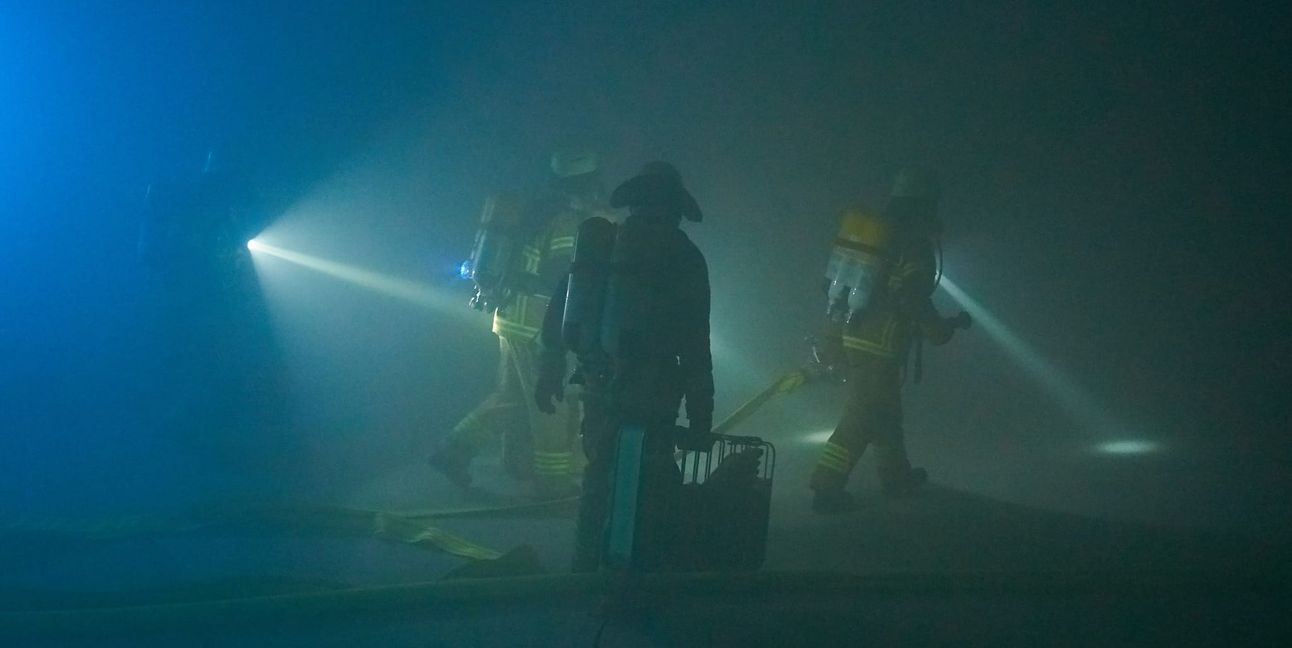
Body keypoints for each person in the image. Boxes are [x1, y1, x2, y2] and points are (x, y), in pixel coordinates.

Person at [535, 161, 714, 572]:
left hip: (598, 380)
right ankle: (636, 580)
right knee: (649, 483)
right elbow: (695, 341)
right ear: (674, 206)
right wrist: (701, 417)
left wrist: (549, 369)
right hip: (654, 390)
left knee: (599, 474)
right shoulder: (685, 255)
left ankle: (584, 571)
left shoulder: (602, 244)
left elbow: (559, 311)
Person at [429, 151, 603, 498]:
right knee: (550, 403)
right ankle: (552, 483)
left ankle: (451, 453)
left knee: (509, 398)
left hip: (509, 318)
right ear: (586, 185)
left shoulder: (536, 212)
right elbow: (560, 278)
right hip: (538, 326)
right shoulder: (568, 221)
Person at [809, 167, 971, 513]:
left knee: (885, 414)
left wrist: (832, 340)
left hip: (854, 334)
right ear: (926, 204)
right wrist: (937, 330)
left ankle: (897, 477)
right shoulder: (914, 244)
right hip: (880, 344)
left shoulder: (881, 236)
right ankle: (826, 487)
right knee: (861, 416)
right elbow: (911, 295)